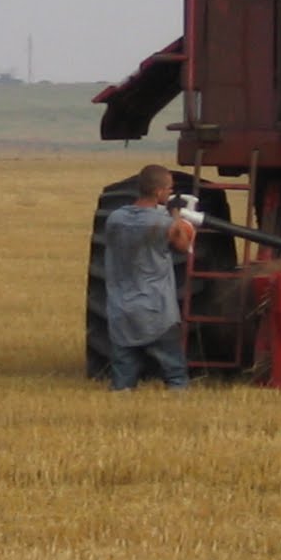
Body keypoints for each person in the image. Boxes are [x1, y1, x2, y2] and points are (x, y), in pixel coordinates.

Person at [104, 163, 197, 391]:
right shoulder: (164, 223)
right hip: (156, 311)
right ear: (158, 192)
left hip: (120, 311)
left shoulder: (114, 219)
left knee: (122, 382)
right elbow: (184, 245)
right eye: (168, 189)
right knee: (175, 376)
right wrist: (178, 218)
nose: (169, 193)